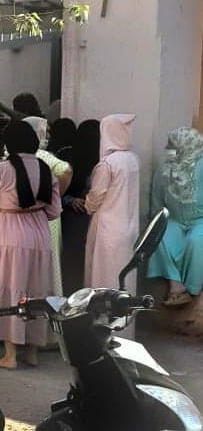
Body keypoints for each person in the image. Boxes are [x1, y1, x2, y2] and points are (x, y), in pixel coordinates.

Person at [0, 121, 60, 369]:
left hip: (8, 235)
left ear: (9, 143)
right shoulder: (46, 170)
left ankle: (10, 355)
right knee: (35, 290)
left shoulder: (1, 170)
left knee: (9, 289)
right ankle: (32, 351)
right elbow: (54, 211)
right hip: (39, 235)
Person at [85, 114, 140, 336]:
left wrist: (87, 205)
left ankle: (104, 335)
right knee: (125, 283)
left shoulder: (107, 164)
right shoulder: (134, 160)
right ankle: (126, 333)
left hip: (108, 230)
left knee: (104, 282)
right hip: (129, 230)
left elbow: (96, 197)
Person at [148, 127, 203, 307]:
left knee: (196, 241)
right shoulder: (164, 169)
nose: (168, 149)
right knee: (161, 236)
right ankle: (176, 286)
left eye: (173, 145)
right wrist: (156, 222)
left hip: (200, 220)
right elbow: (157, 202)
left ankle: (193, 289)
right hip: (175, 220)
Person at [24, 116, 73, 297]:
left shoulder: (23, 156)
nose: (48, 135)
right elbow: (66, 170)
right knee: (50, 263)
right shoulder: (42, 155)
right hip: (48, 217)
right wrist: (55, 196)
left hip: (30, 217)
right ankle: (49, 302)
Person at [61, 119, 100, 293]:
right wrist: (71, 200)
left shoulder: (103, 163)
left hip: (89, 219)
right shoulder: (68, 160)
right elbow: (55, 193)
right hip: (73, 220)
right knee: (74, 262)